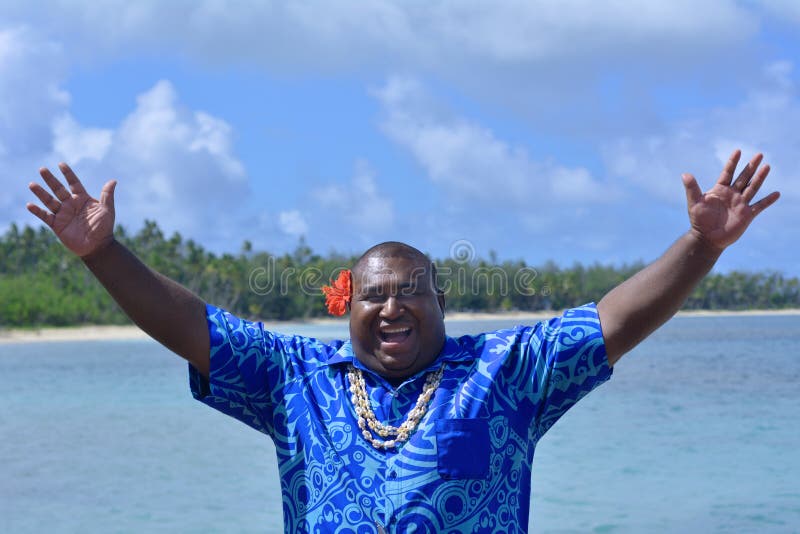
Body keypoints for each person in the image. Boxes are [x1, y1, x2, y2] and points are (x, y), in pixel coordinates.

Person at [26, 150, 779, 533]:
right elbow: (193, 328)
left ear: (441, 304)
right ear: (346, 306)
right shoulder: (298, 379)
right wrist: (101, 256)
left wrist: (701, 248)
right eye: (374, 294)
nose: (392, 307)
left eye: (410, 291)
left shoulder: (505, 372)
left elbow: (614, 320)